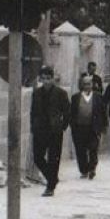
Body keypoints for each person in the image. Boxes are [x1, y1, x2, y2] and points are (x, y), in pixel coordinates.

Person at [30, 66, 70, 197]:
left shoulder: (61, 93)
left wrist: (63, 126)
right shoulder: (36, 93)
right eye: (43, 78)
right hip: (40, 130)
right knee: (38, 157)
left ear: (52, 79)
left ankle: (50, 187)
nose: (46, 81)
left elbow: (67, 111)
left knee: (54, 159)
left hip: (54, 130)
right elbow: (33, 111)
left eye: (48, 78)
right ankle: (52, 178)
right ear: (40, 79)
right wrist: (33, 126)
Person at [70, 74, 107, 179]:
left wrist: (104, 125)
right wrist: (72, 125)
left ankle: (92, 169)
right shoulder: (76, 97)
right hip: (80, 127)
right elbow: (72, 113)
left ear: (92, 85)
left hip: (93, 127)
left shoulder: (98, 97)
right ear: (82, 85)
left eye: (89, 84)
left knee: (93, 148)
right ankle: (84, 170)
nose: (87, 86)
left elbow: (103, 112)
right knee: (80, 150)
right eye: (85, 84)